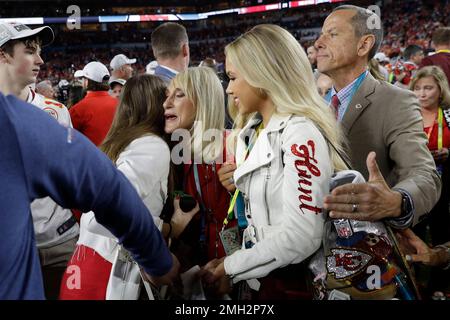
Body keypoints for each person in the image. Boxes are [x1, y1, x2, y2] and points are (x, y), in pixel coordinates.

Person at [202, 24, 347, 300]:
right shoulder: (252, 130)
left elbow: (301, 237)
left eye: (232, 77)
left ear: (261, 75)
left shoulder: (300, 133)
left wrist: (230, 267)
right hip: (261, 280)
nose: (229, 88)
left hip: (293, 286)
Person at [0, 92, 179, 300]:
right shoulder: (151, 146)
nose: (38, 60)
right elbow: (108, 200)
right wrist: (161, 248)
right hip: (99, 258)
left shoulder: (54, 114)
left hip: (73, 248)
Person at [59, 74, 193, 300]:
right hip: (108, 271)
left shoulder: (119, 142)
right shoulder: (151, 145)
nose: (168, 104)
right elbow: (99, 217)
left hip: (87, 264)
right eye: (165, 98)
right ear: (153, 104)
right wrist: (168, 229)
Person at [314, 5, 440, 228]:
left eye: (332, 34)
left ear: (364, 44)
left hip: (364, 245)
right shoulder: (309, 103)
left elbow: (423, 174)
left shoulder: (396, 101)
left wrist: (397, 201)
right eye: (321, 34)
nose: (318, 43)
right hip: (303, 245)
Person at [0, 22, 78, 299]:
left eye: (40, 51)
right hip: (11, 249)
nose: (41, 60)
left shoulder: (56, 112)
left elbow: (73, 177)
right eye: (30, 51)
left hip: (61, 241)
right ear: (3, 55)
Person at [163, 66, 231, 271]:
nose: (166, 103)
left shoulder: (234, 150)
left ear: (202, 101)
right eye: (167, 96)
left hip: (229, 273)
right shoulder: (178, 151)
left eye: (179, 95)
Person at [410, 66, 450, 246]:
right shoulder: (406, 115)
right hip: (414, 186)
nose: (422, 94)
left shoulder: (448, 115)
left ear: (440, 90)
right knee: (413, 238)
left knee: (442, 233)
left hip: (444, 186)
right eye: (417, 88)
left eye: (428, 88)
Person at [70, 61, 118, 146]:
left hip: (92, 158)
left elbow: (69, 140)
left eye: (83, 78)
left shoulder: (78, 109)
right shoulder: (119, 104)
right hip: (118, 156)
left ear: (87, 82)